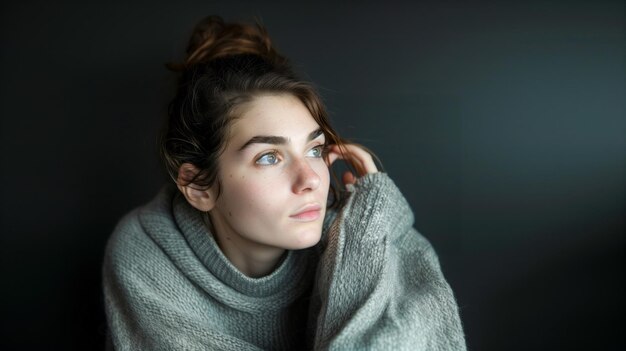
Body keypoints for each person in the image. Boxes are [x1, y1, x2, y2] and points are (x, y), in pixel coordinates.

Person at [102, 15, 466, 350]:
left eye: (314, 150)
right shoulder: (148, 252)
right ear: (198, 186)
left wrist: (371, 219)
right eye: (269, 157)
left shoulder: (359, 230)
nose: (310, 180)